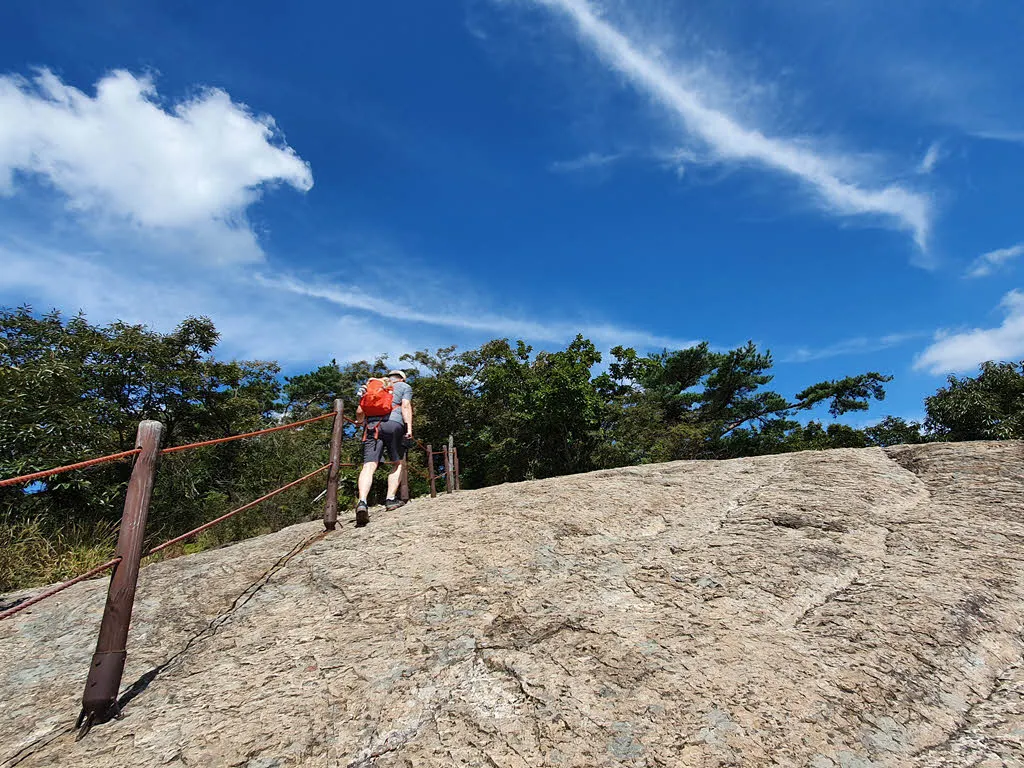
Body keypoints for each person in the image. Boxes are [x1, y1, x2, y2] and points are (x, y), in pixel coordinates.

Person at [354, 369, 413, 524]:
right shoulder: (404, 387)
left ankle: (362, 502)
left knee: (369, 465)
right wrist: (409, 429)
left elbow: (360, 410)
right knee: (398, 463)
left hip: (372, 427)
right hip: (394, 425)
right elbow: (406, 406)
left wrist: (360, 422)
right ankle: (390, 499)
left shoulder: (373, 385)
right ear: (402, 378)